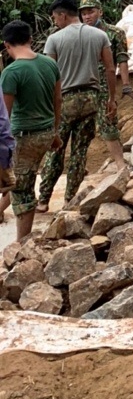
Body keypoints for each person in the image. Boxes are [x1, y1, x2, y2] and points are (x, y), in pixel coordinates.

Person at [38, 0, 116, 212]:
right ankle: (69, 200)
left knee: (55, 150)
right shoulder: (100, 35)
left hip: (64, 101)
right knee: (80, 152)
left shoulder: (54, 40)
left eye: (55, 17)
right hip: (91, 99)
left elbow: (49, 75)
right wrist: (111, 98)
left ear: (63, 15)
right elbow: (110, 69)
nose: (55, 21)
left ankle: (43, 200)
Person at [0, 21, 61, 241]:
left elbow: (3, 116)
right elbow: (58, 100)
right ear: (31, 40)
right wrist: (54, 132)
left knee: (22, 190)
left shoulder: (12, 72)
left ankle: (21, 245)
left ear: (7, 45)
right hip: (45, 133)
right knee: (23, 179)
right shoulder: (49, 64)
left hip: (23, 136)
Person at [78, 0, 131, 171]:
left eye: (90, 12)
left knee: (108, 123)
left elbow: (122, 59)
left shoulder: (115, 33)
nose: (87, 16)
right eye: (83, 13)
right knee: (81, 129)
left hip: (104, 87)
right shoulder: (78, 35)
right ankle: (79, 168)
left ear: (100, 11)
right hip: (82, 87)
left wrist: (125, 84)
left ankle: (120, 164)